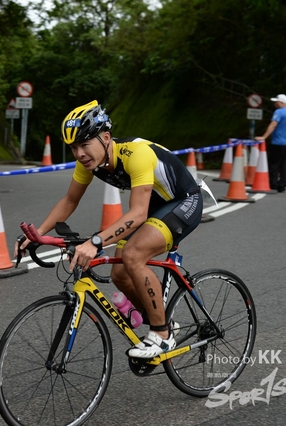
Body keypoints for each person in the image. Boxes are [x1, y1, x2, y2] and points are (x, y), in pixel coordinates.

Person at [15, 100, 203, 358]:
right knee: (120, 275)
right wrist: (38, 235)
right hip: (154, 206)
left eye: (84, 144)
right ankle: (164, 320)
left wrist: (95, 242)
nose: (79, 153)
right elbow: (70, 201)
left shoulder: (136, 154)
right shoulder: (89, 162)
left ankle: (162, 334)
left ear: (105, 138)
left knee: (133, 255)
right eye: (74, 147)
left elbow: (138, 213)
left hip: (183, 201)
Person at [254, 94, 286, 193]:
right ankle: (283, 184)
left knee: (274, 164)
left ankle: (273, 184)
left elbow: (273, 125)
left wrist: (264, 137)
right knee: (285, 165)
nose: (275, 104)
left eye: (276, 102)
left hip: (278, 142)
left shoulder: (279, 112)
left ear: (281, 102)